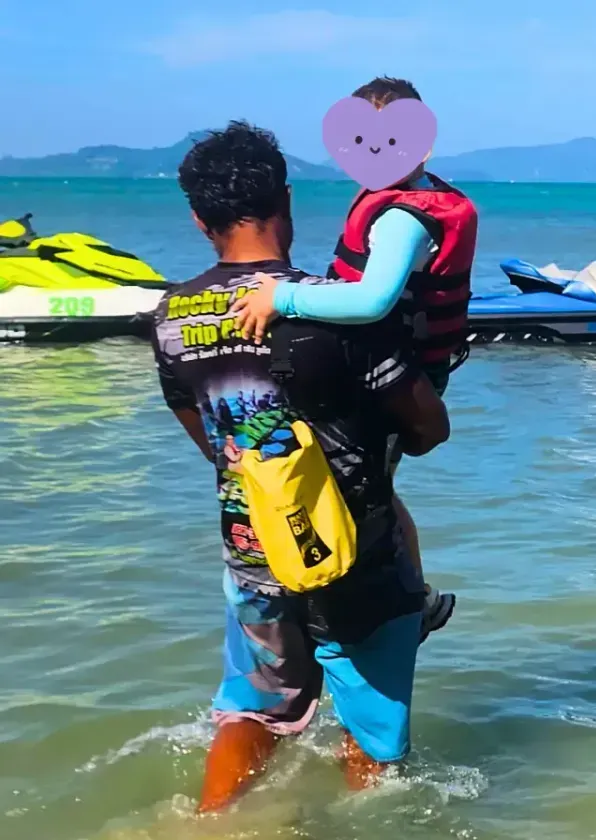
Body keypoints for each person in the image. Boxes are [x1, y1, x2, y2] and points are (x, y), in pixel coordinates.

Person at [155, 121, 450, 812]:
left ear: (199, 220)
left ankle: (206, 824)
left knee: (252, 712)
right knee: (373, 737)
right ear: (287, 199)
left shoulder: (170, 316)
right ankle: (361, 820)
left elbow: (200, 428)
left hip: (253, 545)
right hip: (355, 552)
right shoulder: (330, 308)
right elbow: (429, 429)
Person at [230, 76, 478, 641]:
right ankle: (418, 596)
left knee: (369, 491)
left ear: (422, 145)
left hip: (395, 378)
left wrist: (283, 297)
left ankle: (404, 599)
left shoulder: (402, 218)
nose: (372, 155)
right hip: (397, 366)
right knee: (381, 489)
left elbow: (372, 299)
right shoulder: (401, 197)